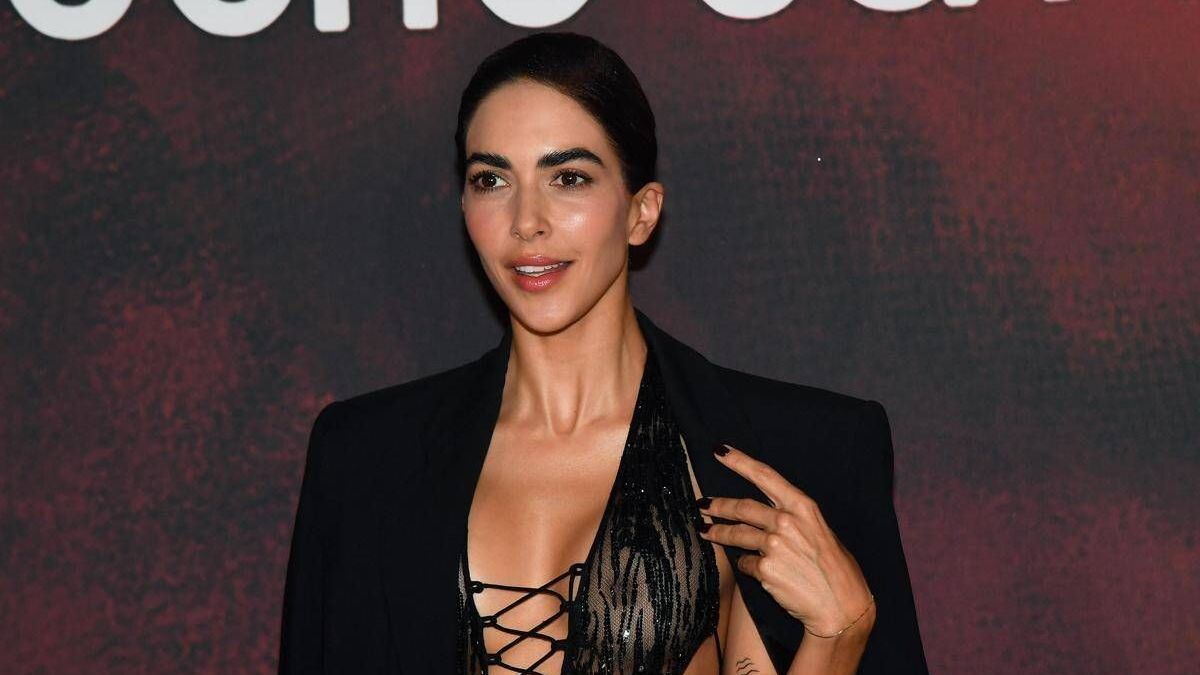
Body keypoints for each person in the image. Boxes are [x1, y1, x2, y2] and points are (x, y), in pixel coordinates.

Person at [279, 32, 927, 675]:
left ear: (641, 212)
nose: (526, 221)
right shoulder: (364, 458)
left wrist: (838, 640)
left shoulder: (806, 454)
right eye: (492, 179)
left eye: (568, 177)